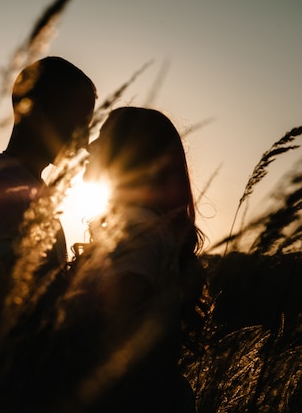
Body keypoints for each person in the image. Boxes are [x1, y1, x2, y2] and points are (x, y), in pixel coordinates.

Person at [0, 56, 97, 412]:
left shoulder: (26, 186)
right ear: (40, 111)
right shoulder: (5, 189)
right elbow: (28, 305)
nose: (84, 140)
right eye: (79, 120)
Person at [59, 107, 205, 412]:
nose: (90, 146)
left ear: (128, 155)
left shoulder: (136, 230)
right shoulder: (142, 226)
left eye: (103, 137)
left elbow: (113, 340)